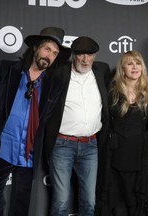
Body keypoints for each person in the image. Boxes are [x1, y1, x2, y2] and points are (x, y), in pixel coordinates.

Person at [0, 27, 71, 216]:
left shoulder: (53, 85)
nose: (49, 56)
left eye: (55, 53)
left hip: (29, 151)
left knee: (21, 202)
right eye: (47, 49)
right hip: (1, 145)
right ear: (35, 48)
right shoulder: (5, 69)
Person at [43, 36, 110, 216]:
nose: (85, 59)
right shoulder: (59, 73)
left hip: (91, 146)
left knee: (89, 201)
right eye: (81, 55)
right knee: (61, 201)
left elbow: (128, 80)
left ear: (95, 56)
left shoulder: (102, 71)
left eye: (89, 55)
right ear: (73, 55)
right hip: (62, 145)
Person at [103, 50, 148, 216]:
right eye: (130, 63)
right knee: (118, 200)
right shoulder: (112, 92)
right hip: (116, 153)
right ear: (122, 69)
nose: (134, 67)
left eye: (138, 63)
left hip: (141, 153)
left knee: (139, 199)